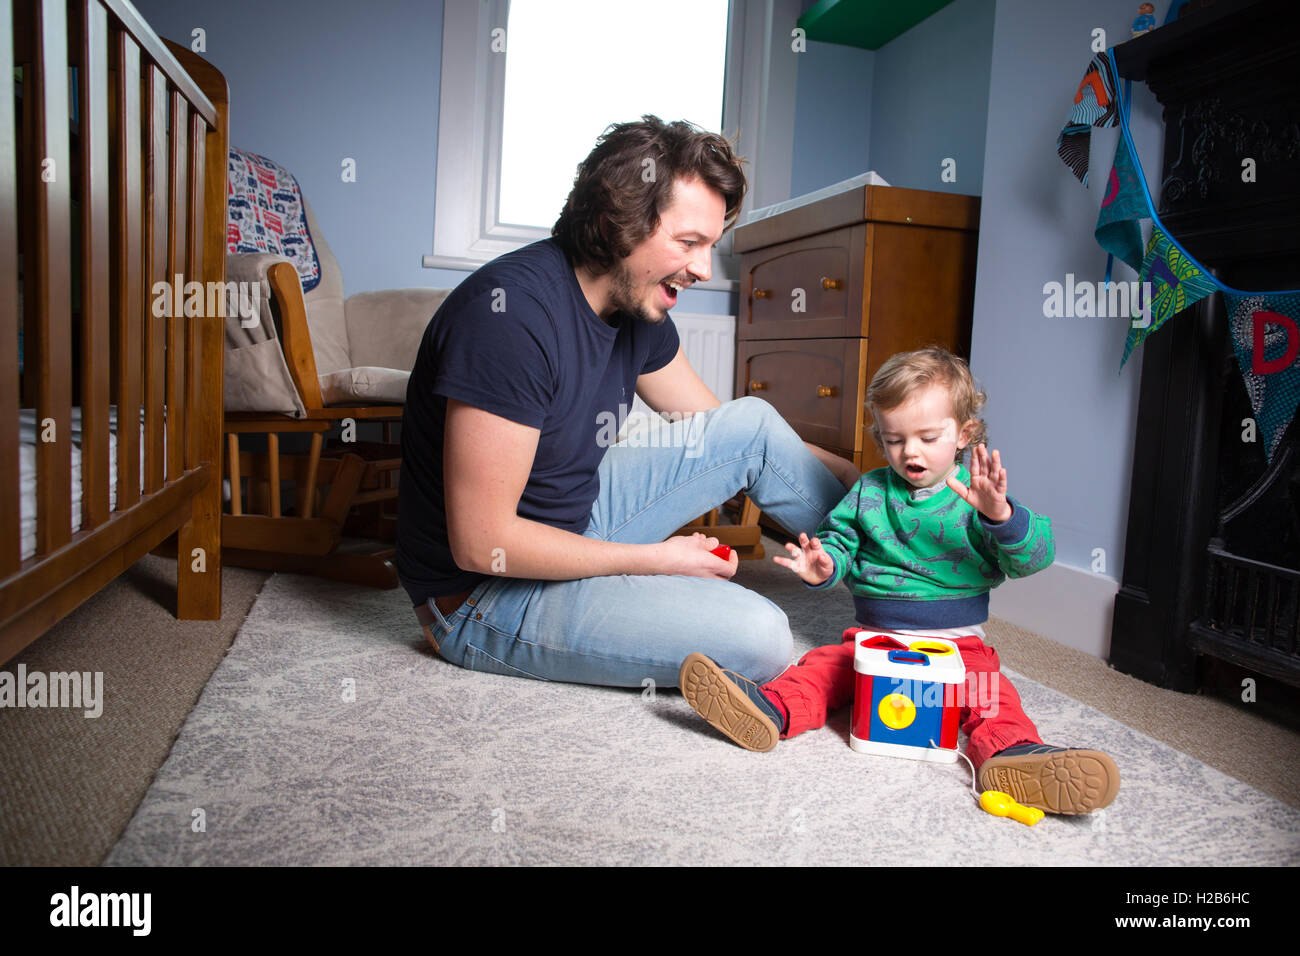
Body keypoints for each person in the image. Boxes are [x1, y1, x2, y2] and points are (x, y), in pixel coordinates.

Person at [395, 115, 858, 689]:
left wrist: (860, 481)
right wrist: (656, 560)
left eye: (710, 246)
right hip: (481, 596)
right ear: (618, 221)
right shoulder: (510, 318)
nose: (702, 269)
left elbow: (724, 434)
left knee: (755, 424)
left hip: (577, 517)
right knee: (761, 639)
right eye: (688, 243)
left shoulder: (636, 304)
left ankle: (914, 582)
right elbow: (481, 543)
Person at [678, 347, 1121, 815]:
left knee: (992, 695)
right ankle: (769, 709)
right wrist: (825, 565)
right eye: (894, 440)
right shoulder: (869, 491)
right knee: (822, 668)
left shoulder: (979, 500)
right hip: (874, 642)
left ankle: (1012, 756)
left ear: (964, 434)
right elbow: (840, 542)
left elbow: (1033, 558)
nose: (910, 451)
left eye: (929, 437)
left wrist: (1002, 516)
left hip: (957, 649)